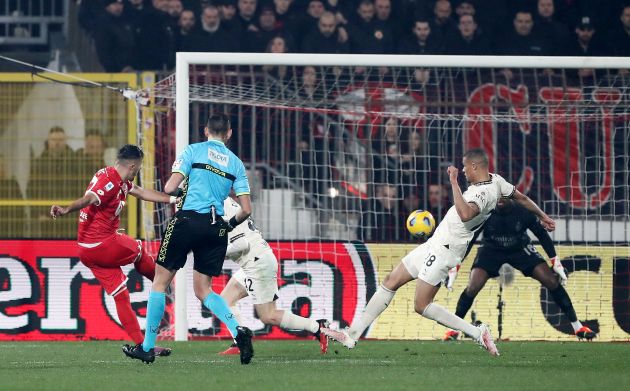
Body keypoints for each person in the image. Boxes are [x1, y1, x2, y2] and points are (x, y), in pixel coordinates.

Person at [323, 148, 556, 356]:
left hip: (446, 250)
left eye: (465, 167)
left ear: (475, 166)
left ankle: (477, 332)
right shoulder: (497, 181)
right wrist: (543, 216)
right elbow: (522, 197)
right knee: (390, 281)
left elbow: (466, 214)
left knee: (421, 305)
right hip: (436, 243)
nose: (463, 171)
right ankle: (352, 333)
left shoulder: (481, 193)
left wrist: (453, 182)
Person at [123, 113, 255, 365]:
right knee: (204, 290)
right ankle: (239, 333)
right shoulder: (236, 164)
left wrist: (185, 190)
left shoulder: (193, 151)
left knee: (161, 282)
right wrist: (228, 225)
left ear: (206, 130)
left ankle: (147, 348)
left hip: (187, 221)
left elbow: (170, 188)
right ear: (229, 134)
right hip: (216, 227)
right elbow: (246, 209)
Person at [50, 144, 176, 356]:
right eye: (139, 168)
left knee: (120, 295)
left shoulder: (120, 179)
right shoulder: (108, 181)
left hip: (87, 250)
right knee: (137, 248)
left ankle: (142, 347)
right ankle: (161, 282)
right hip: (99, 244)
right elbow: (89, 198)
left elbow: (143, 193)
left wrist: (173, 199)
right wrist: (66, 209)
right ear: (133, 165)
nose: (138, 172)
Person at [442, 198, 596, 342]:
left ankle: (578, 327)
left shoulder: (523, 211)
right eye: (497, 196)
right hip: (491, 250)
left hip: (520, 249)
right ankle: (455, 330)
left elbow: (541, 234)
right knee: (473, 286)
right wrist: (456, 264)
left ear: (511, 197)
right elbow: (469, 238)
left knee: (551, 280)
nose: (500, 199)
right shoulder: (485, 212)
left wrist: (555, 261)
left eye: (504, 196)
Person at [217, 197, 330, 355]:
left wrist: (214, 252)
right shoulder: (222, 200)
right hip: (253, 261)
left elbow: (241, 244)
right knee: (225, 301)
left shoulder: (220, 205)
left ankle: (317, 327)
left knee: (269, 316)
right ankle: (241, 342)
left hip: (257, 262)